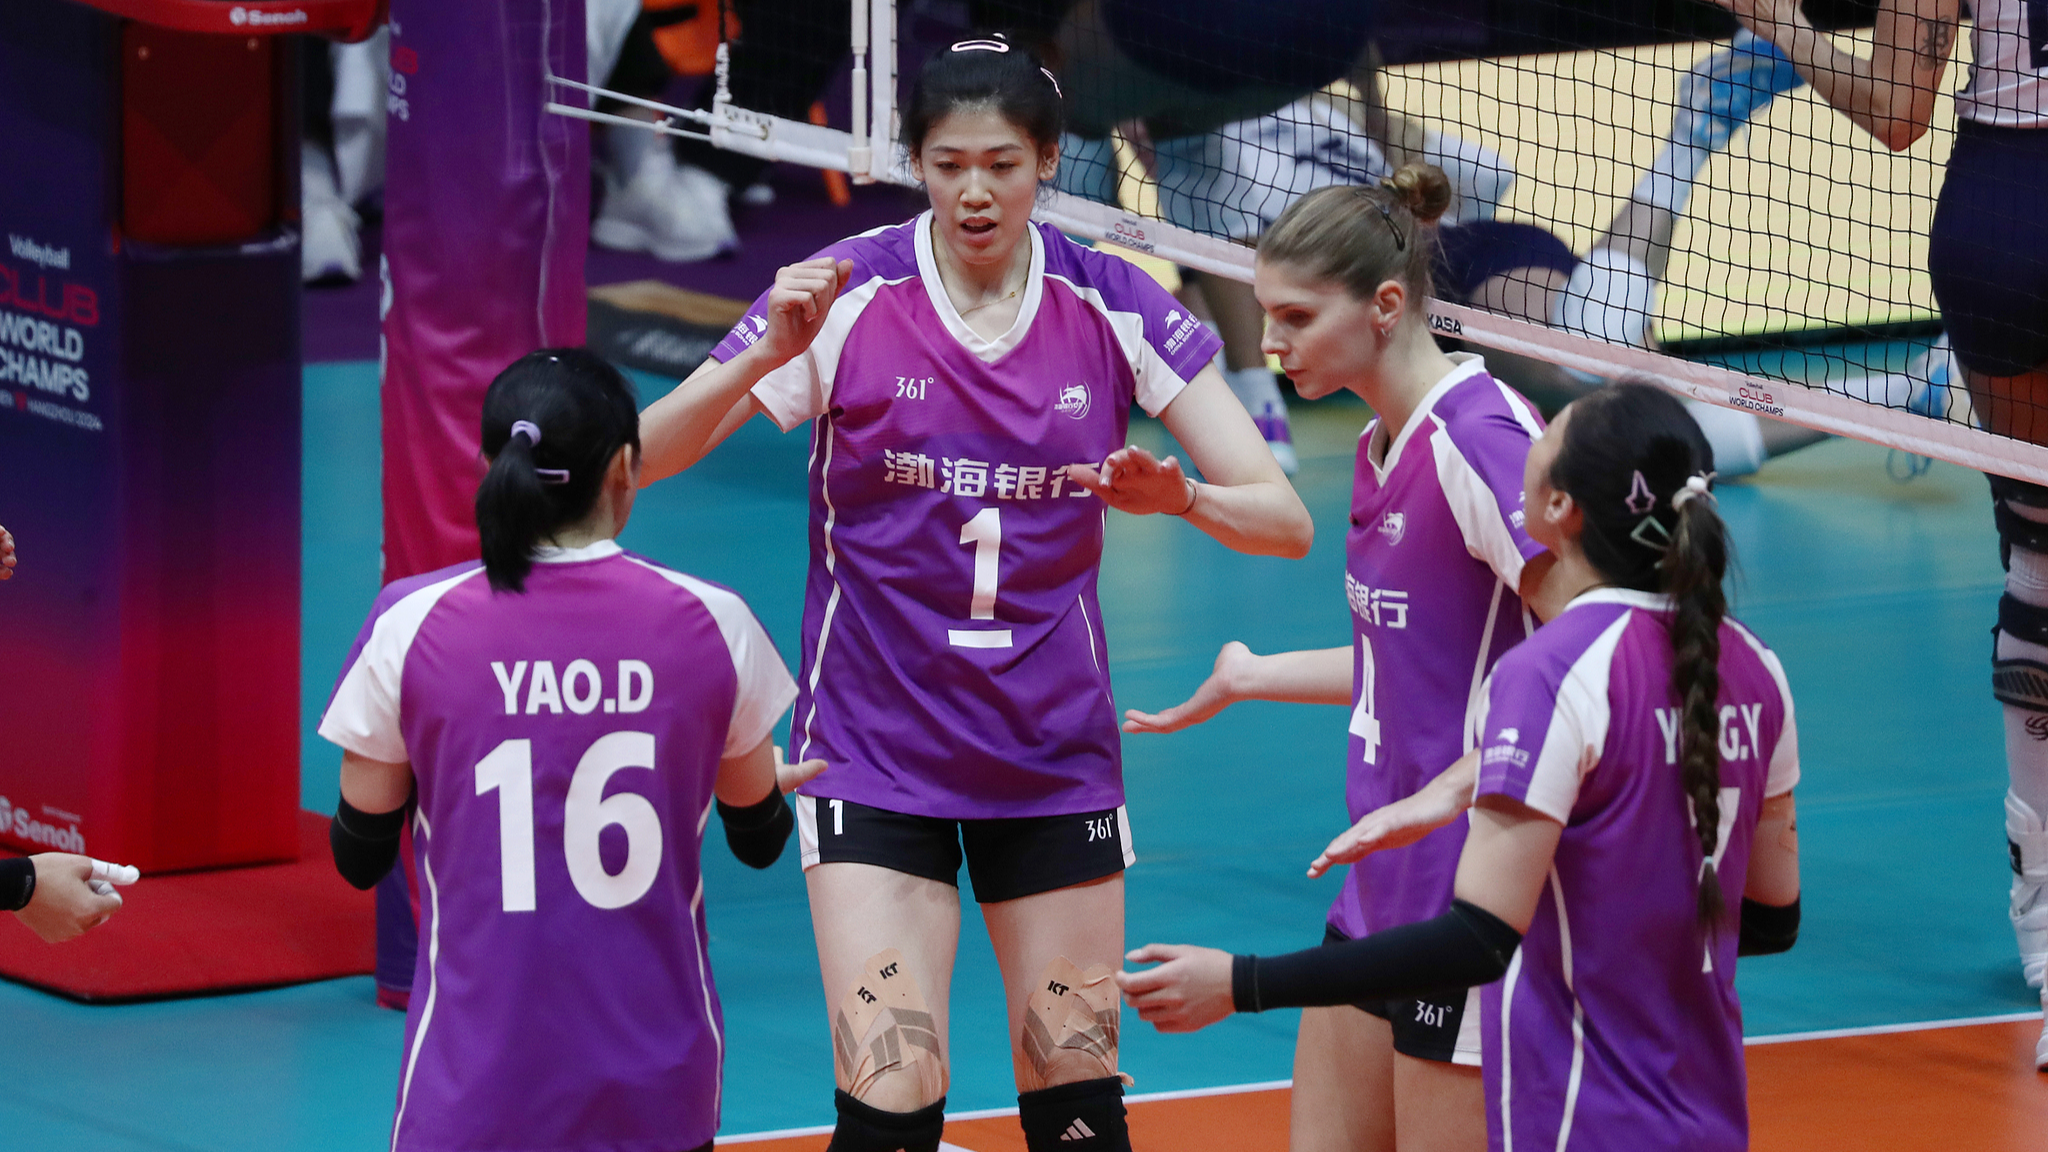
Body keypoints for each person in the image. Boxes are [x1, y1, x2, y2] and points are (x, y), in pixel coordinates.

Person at [634, 35, 1313, 1152]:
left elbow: (1279, 520)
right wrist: (759, 356)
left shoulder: (1114, 303)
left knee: (1077, 1114)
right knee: (889, 1112)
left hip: (1049, 760)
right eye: (947, 164)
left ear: (1047, 162)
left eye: (1001, 163)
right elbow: (643, 463)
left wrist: (1176, 496)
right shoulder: (847, 295)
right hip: (872, 755)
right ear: (916, 165)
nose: (974, 191)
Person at [1119, 382, 1804, 1152]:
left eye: (1545, 437)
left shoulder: (1550, 674)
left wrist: (1243, 983)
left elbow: (1477, 943)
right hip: (1710, 1119)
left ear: (1557, 510)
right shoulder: (1755, 668)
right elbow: (1774, 919)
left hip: (1580, 1119)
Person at [1118, 168, 1558, 1152]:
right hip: (1379, 888)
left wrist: (1451, 792)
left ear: (1385, 305)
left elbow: (1593, 660)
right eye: (1265, 313)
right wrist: (1253, 674)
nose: (1267, 342)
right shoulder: (1375, 446)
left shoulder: (1477, 443)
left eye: (1294, 316)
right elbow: (1421, 661)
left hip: (1474, 894)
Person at [317, 349, 817, 1152]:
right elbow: (758, 841)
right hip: (659, 1086)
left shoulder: (411, 623)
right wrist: (750, 790)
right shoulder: (712, 621)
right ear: (625, 468)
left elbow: (357, 853)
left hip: (475, 1087)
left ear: (490, 465)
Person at [1710, 0, 2048, 1065]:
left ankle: (2045, 926)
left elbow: (1897, 112)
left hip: (2009, 220)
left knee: (2039, 555)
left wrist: (1774, 21)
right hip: (2010, 219)